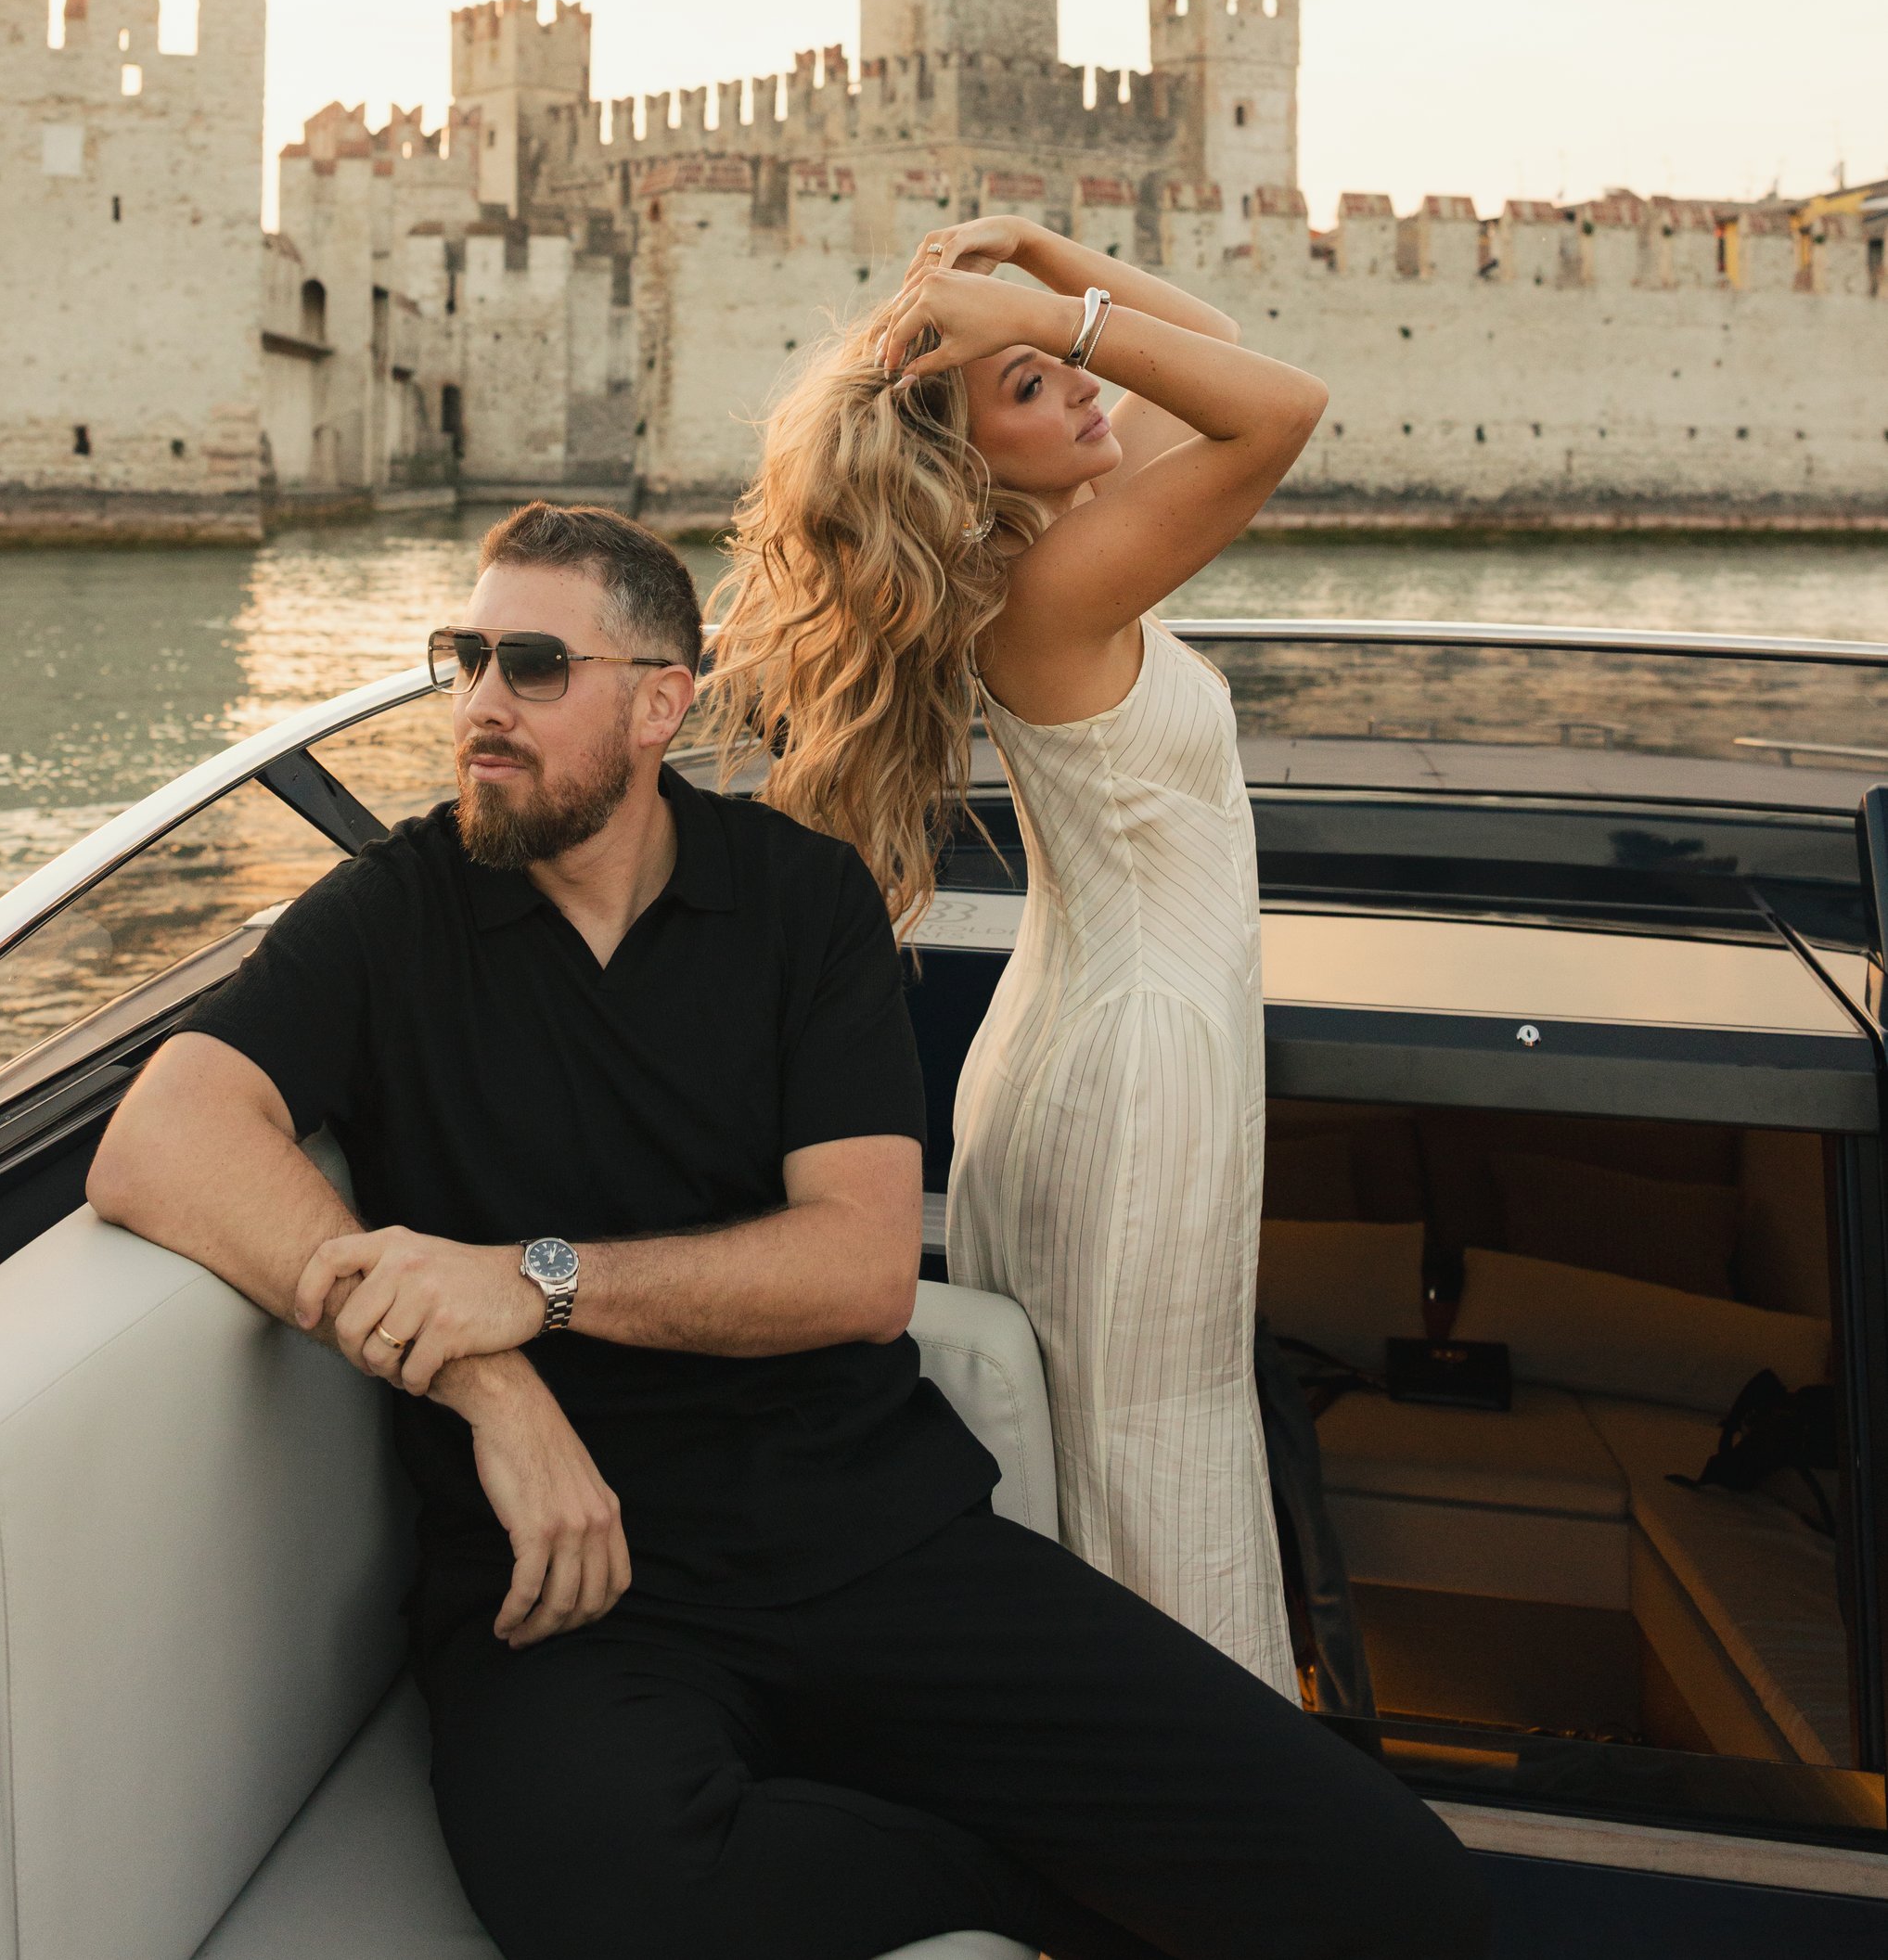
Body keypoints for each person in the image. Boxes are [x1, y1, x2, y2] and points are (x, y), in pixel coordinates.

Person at [89, 500, 1480, 1960]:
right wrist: (483, 1380)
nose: (482, 707)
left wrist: (532, 1285)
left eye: (533, 666)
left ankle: (994, 1874)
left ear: (658, 704)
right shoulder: (397, 912)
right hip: (574, 1589)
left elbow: (860, 1266)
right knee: (615, 1898)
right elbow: (162, 1137)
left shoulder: (800, 902)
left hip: (868, 1540)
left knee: (1404, 1894)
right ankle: (1015, 1887)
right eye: (465, 659)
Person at [705, 219, 1325, 1696]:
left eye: (1067, 377)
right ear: (971, 464)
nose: (1085, 397)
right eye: (1034, 391)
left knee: (1113, 1443)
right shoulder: (1050, 593)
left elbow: (1225, 364)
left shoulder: (1058, 553)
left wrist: (1043, 278)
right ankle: (1205, 1828)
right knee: (1149, 1456)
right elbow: (1282, 407)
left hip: (1098, 1038)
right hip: (1137, 1073)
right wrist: (1048, 314)